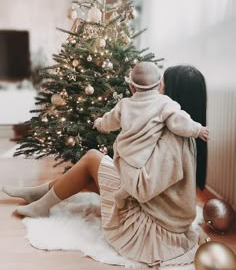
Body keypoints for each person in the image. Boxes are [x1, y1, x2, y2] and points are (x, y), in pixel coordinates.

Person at [2, 64, 208, 267]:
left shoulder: (174, 138)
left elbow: (144, 188)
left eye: (163, 85)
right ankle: (39, 195)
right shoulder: (179, 127)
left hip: (150, 227)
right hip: (151, 205)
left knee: (93, 158)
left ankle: (41, 202)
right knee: (96, 170)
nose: (159, 90)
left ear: (171, 91)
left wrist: (123, 165)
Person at [93, 62, 208, 208]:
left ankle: (54, 202)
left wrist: (101, 123)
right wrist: (198, 129)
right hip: (138, 172)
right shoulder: (175, 118)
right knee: (91, 164)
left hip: (134, 181)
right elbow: (178, 121)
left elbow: (143, 190)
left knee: (91, 159)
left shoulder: (170, 137)